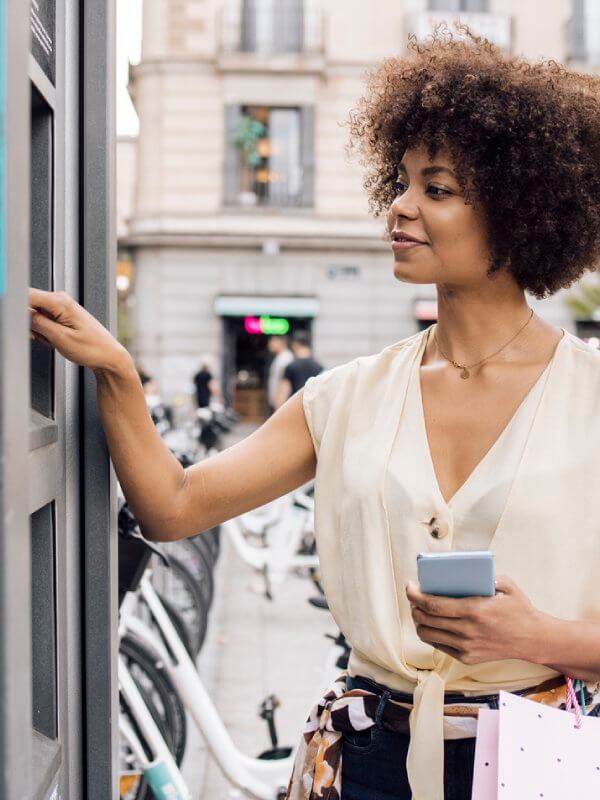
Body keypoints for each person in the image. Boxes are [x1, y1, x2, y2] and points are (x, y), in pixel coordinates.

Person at [28, 28, 600, 800]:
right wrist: (118, 375)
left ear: (520, 212)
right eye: (400, 183)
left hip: (543, 767)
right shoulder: (346, 395)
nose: (398, 207)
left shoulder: (589, 394)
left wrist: (542, 639)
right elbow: (173, 507)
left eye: (436, 189)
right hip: (365, 766)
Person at [274, 331, 323, 409]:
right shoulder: (319, 367)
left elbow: (282, 394)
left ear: (295, 345)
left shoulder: (291, 366)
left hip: (294, 409)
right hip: (312, 410)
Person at [267, 335, 293, 414]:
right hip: (278, 400)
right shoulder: (280, 357)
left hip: (282, 402)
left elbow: (285, 382)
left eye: (272, 341)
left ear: (280, 342)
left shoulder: (286, 358)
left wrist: (280, 402)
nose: (269, 344)